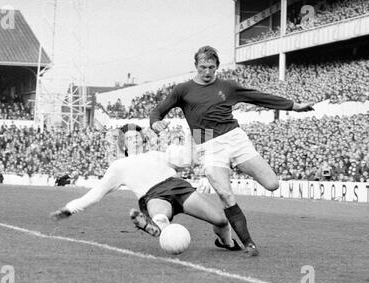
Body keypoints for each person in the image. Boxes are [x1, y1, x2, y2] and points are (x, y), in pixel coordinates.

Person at [150, 46, 314, 256]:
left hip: (235, 138)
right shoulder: (183, 90)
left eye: (211, 67)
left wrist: (293, 106)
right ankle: (249, 244)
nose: (207, 72)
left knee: (272, 184)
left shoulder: (227, 86)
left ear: (217, 66)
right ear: (196, 66)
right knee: (226, 195)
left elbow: (257, 97)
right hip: (206, 141)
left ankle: (237, 167)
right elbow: (158, 110)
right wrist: (155, 123)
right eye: (202, 67)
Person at [50, 124, 243, 253]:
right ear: (123, 143)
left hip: (178, 187)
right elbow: (95, 194)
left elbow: (188, 161)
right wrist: (69, 209)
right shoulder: (119, 166)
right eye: (129, 138)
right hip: (153, 195)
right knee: (161, 217)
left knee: (221, 220)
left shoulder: (159, 154)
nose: (133, 140)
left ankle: (227, 243)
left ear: (143, 140)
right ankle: (160, 229)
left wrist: (191, 137)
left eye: (136, 136)